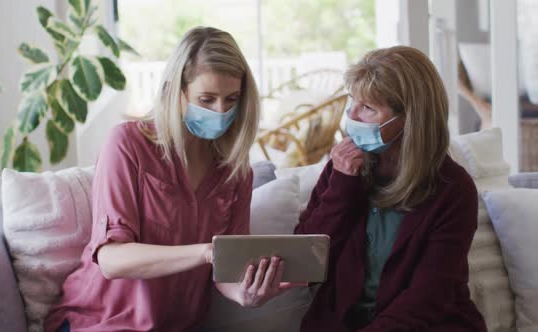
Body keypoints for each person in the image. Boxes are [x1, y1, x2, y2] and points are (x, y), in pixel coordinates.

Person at [44, 26, 295, 332]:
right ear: (175, 91)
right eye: (207, 99)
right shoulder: (127, 145)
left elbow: (227, 268)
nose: (221, 111)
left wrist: (246, 294)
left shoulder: (236, 173)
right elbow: (111, 259)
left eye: (231, 99)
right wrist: (205, 252)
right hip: (98, 322)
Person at [295, 46, 487, 331]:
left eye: (368, 108)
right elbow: (304, 265)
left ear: (410, 119)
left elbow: (428, 297)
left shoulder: (453, 189)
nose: (352, 116)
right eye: (353, 102)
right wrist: (343, 186)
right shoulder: (343, 167)